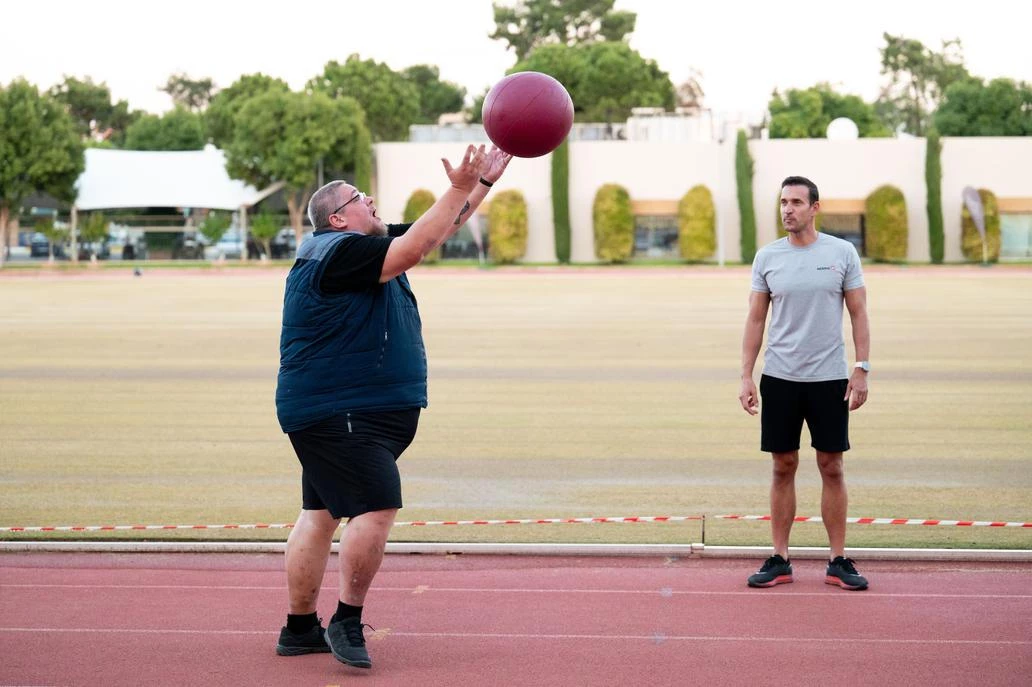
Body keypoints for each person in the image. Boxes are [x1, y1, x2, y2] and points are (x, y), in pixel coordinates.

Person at [273, 144, 512, 668]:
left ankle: (298, 629)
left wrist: (481, 186)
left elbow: (437, 228)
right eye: (361, 197)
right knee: (377, 505)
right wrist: (458, 184)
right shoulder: (338, 250)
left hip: (342, 408)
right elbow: (416, 248)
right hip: (341, 410)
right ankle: (346, 620)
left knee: (320, 513)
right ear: (338, 217)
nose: (372, 200)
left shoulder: (359, 249)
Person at [738, 175, 871, 591]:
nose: (787, 210)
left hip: (830, 378)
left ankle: (838, 560)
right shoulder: (767, 257)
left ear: (815, 207)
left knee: (832, 466)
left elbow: (859, 313)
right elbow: (756, 318)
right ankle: (780, 557)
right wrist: (746, 374)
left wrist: (862, 367)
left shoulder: (842, 253)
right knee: (783, 466)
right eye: (783, 202)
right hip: (779, 377)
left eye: (796, 202)